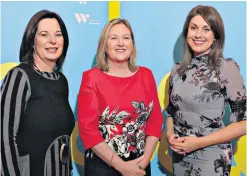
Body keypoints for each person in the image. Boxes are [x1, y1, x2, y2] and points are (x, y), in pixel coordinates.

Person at [165, 5, 246, 176]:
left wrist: (199, 143)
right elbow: (172, 112)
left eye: (206, 29)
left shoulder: (226, 68)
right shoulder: (177, 71)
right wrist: (170, 134)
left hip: (212, 157)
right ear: (187, 32)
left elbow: (244, 123)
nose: (198, 35)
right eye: (193, 28)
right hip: (180, 157)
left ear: (216, 35)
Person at [78, 18, 164, 176]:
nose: (120, 43)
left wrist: (144, 161)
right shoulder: (92, 78)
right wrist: (122, 167)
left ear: (132, 45)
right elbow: (88, 131)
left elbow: (155, 120)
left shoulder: (146, 75)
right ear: (104, 45)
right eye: (113, 38)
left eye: (126, 37)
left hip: (139, 165)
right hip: (103, 166)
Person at [1, 10, 75, 176]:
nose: (53, 41)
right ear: (32, 41)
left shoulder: (61, 81)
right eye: (44, 34)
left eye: (58, 34)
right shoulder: (19, 76)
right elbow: (4, 138)